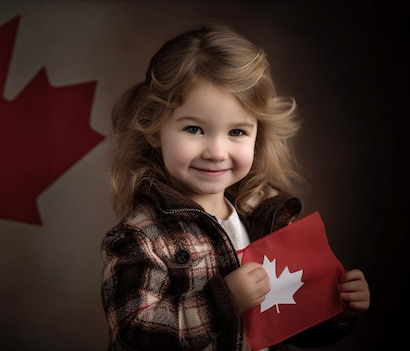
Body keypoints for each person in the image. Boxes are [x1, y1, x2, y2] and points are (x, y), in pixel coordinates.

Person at [100, 24, 370, 351]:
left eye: (237, 132)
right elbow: (135, 331)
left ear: (258, 136)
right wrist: (223, 300)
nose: (216, 151)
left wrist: (338, 307)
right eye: (195, 128)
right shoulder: (142, 237)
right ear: (155, 128)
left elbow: (290, 321)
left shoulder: (265, 218)